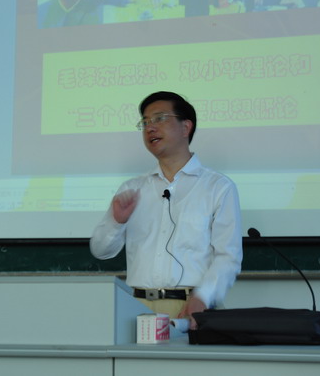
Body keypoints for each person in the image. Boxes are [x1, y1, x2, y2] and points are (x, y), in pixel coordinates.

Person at [90, 91, 243, 326]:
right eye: (145, 122)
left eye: (160, 118)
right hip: (136, 307)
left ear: (186, 127)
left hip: (191, 309)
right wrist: (116, 222)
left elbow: (228, 256)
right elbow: (101, 251)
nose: (150, 128)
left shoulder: (217, 187)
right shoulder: (133, 189)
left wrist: (202, 297)